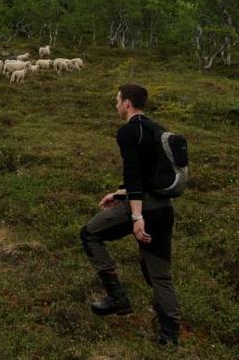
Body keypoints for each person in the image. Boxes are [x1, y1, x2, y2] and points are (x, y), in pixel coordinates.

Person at [80, 83, 181, 346]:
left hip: (143, 208)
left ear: (127, 103)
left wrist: (136, 216)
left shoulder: (128, 132)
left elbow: (134, 174)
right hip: (163, 208)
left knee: (90, 234)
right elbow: (151, 174)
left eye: (117, 100)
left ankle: (117, 298)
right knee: (160, 274)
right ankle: (169, 336)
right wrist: (120, 193)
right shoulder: (157, 129)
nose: (115, 105)